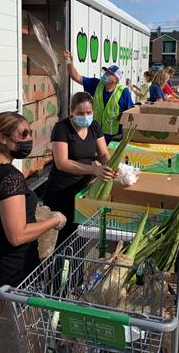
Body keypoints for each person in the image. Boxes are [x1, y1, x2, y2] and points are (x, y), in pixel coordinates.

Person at [0, 111, 66, 353]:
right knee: (30, 324)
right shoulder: (10, 178)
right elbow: (17, 235)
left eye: (29, 132)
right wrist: (53, 221)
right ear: (2, 137)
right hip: (12, 265)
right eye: (23, 134)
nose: (28, 139)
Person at [44, 92, 115, 245]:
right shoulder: (61, 128)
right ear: (71, 112)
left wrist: (110, 165)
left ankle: (74, 268)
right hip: (61, 192)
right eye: (80, 113)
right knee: (60, 240)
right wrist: (94, 170)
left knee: (78, 239)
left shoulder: (94, 126)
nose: (85, 116)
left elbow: (103, 153)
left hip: (81, 193)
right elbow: (62, 162)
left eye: (88, 113)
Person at [63, 49, 134, 144]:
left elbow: (130, 114)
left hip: (113, 137)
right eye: (105, 72)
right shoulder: (96, 84)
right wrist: (69, 61)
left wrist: (124, 136)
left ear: (115, 79)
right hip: (95, 133)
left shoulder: (123, 92)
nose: (105, 74)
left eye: (109, 74)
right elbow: (75, 76)